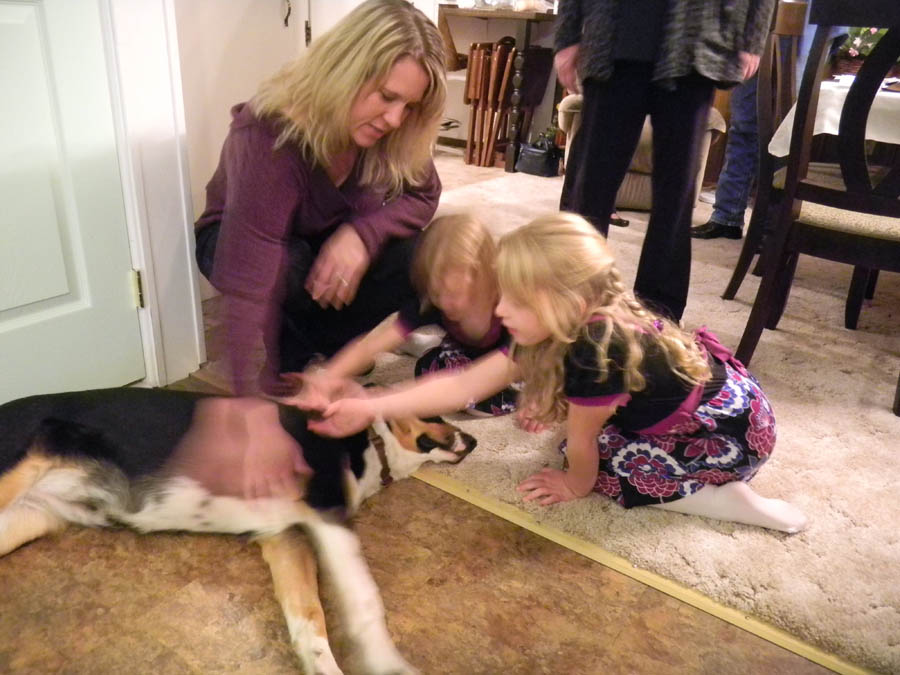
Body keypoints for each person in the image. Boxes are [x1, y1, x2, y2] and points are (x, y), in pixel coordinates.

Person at [304, 213, 807, 533]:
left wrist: (574, 485)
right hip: (737, 400)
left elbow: (583, 446)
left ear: (564, 302)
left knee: (596, 461)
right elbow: (463, 385)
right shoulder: (569, 321)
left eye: (514, 300)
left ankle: (724, 499)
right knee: (580, 433)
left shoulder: (593, 352)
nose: (499, 310)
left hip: (731, 434)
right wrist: (370, 405)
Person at [188, 0, 446, 499]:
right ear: (345, 70)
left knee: (422, 254)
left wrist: (362, 235)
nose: (396, 118)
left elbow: (423, 195)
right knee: (287, 268)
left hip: (324, 238)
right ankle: (291, 353)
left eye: (410, 106)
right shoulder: (267, 134)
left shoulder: (390, 130)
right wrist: (249, 412)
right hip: (237, 245)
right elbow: (249, 282)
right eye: (387, 97)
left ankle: (328, 350)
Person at [554, 0, 776, 320]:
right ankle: (569, 306)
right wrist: (567, 35)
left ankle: (660, 320)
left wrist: (752, 38)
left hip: (697, 42)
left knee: (676, 197)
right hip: (613, 36)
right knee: (589, 189)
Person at [300, 213, 527, 419]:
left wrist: (538, 397)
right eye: (437, 293)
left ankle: (427, 345)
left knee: (493, 397)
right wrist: (328, 377)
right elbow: (371, 345)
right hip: (463, 355)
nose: (444, 303)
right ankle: (423, 344)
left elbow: (534, 360)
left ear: (486, 279)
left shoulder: (511, 310)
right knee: (430, 371)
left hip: (508, 363)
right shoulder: (432, 304)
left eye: (455, 294)